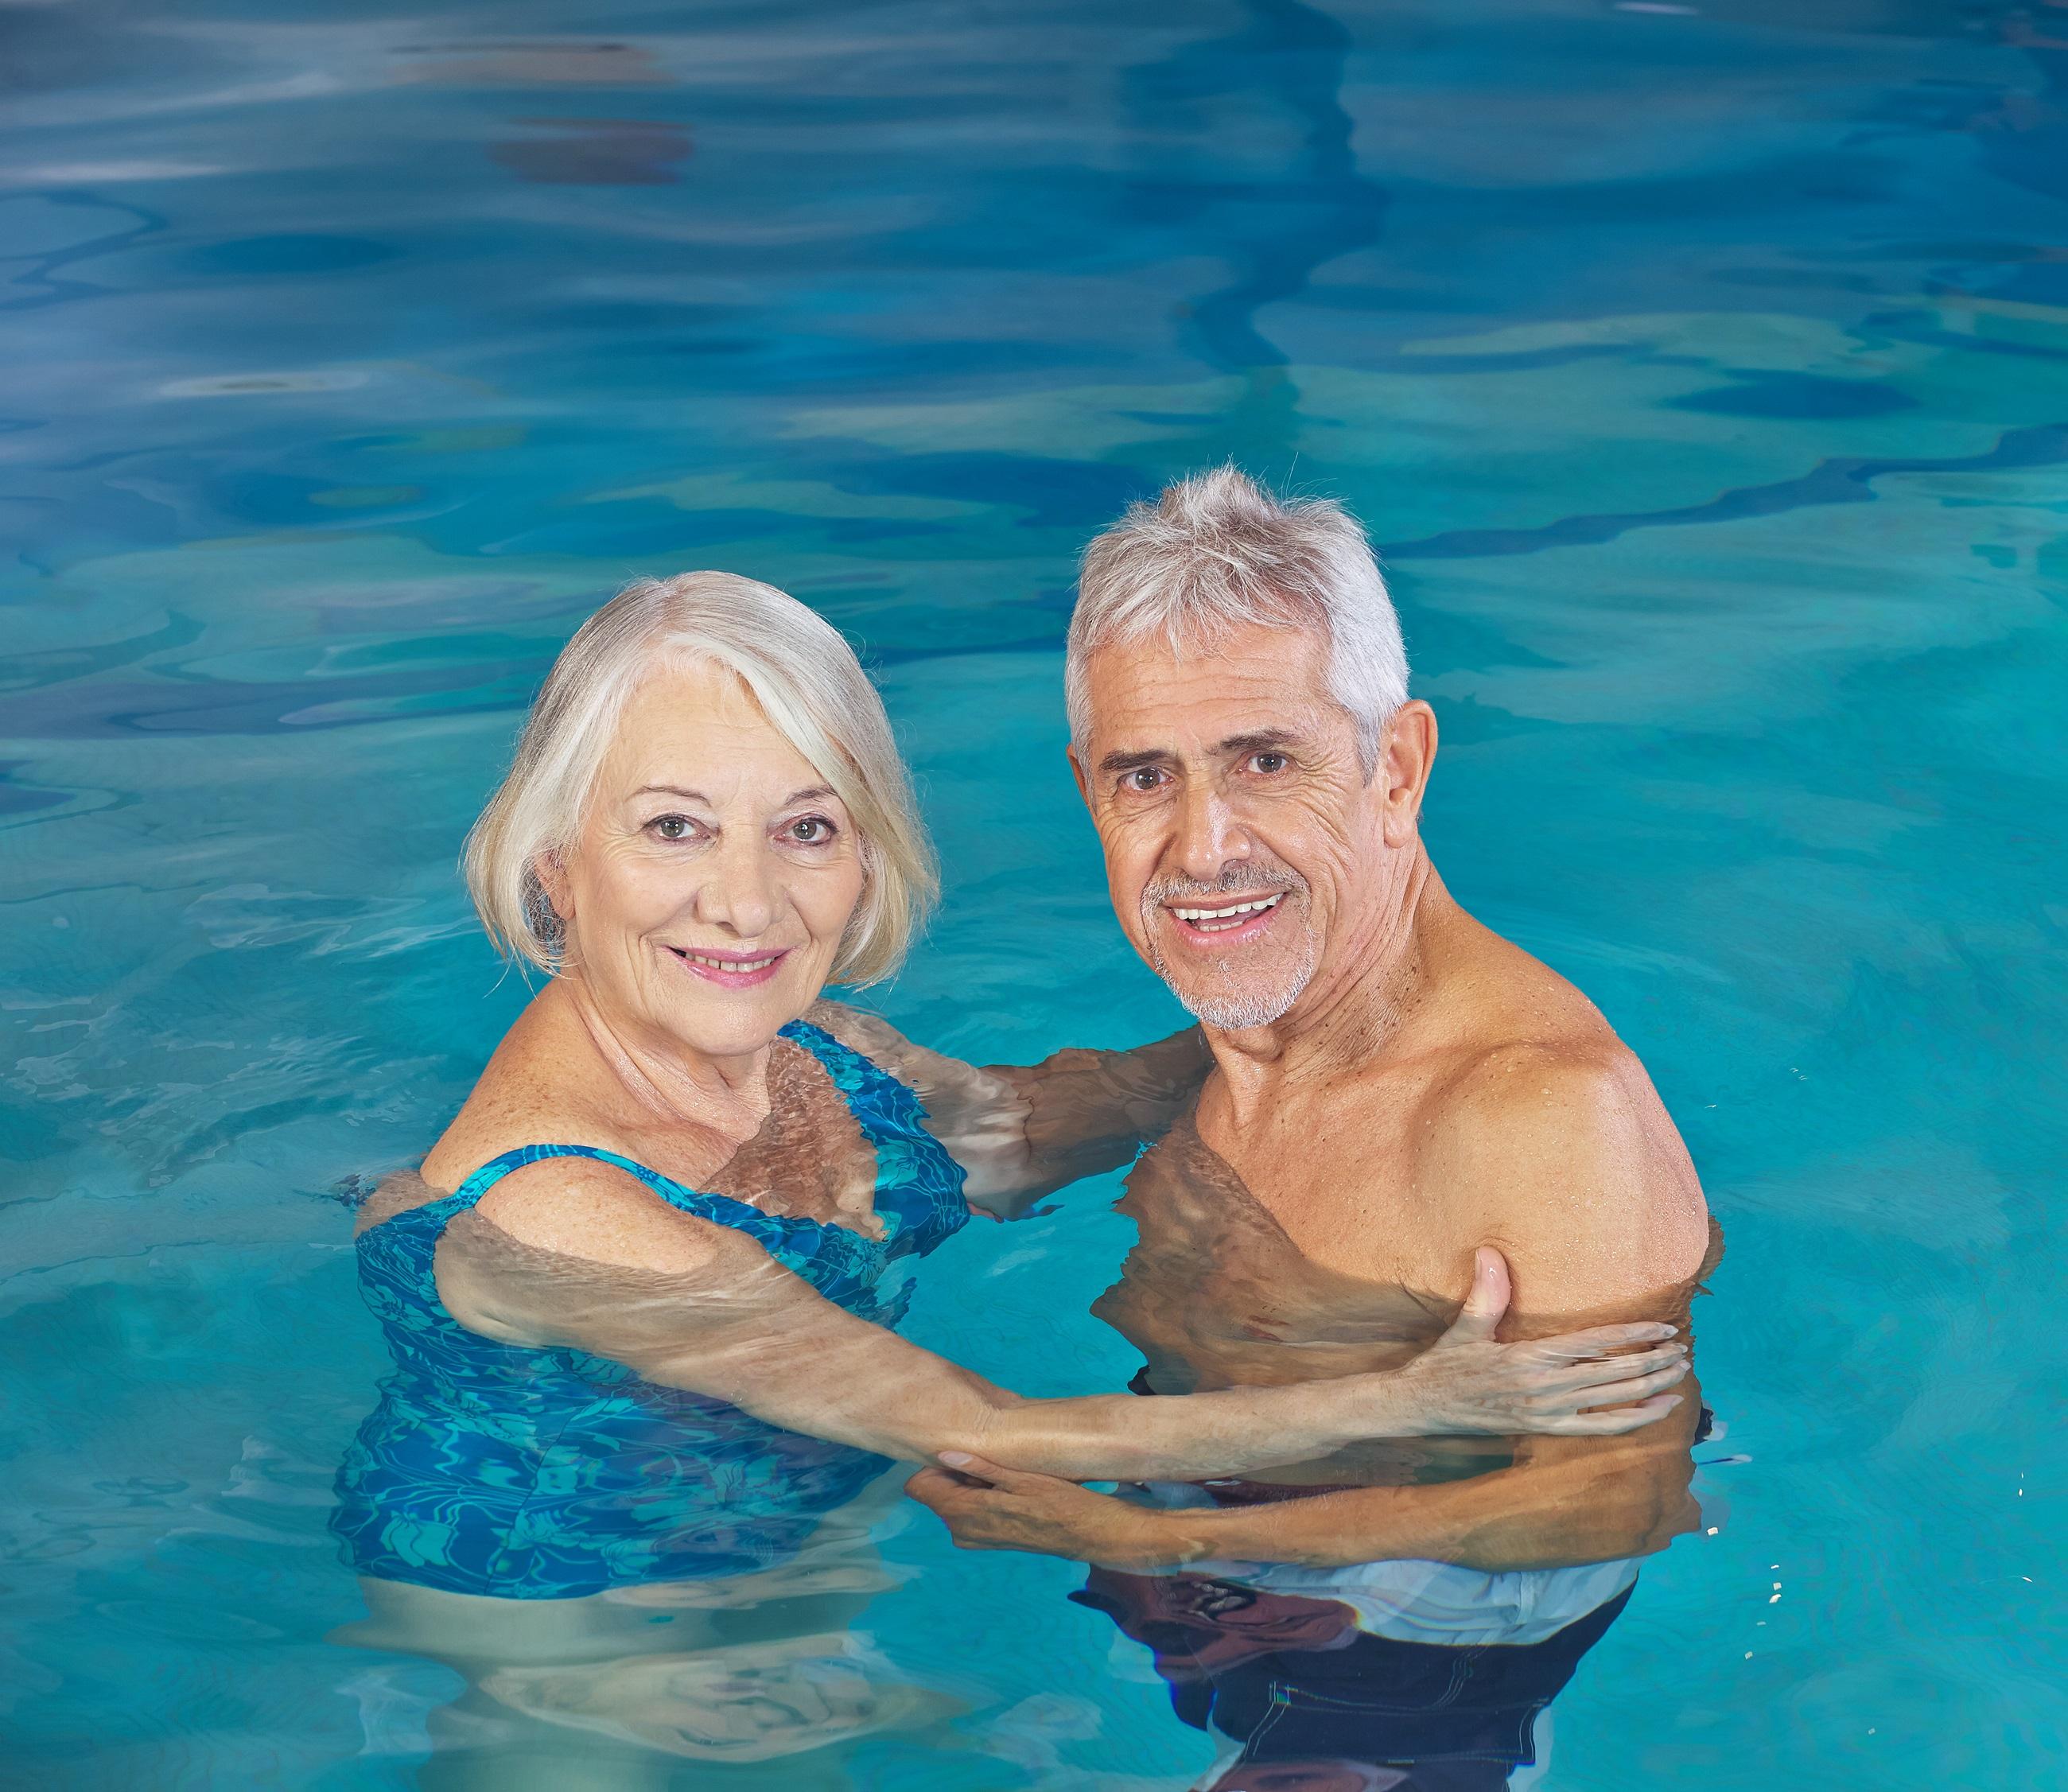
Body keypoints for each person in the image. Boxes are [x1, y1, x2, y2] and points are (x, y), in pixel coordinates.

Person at [331, 570, 1688, 1781]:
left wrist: (1321, 1009)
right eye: (675, 829)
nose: (747, 902)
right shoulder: (563, 1207)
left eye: (804, 828)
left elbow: (1020, 1131)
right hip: (576, 1637)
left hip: (788, 1544)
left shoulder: (814, 1047)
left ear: (865, 846)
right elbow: (995, 1436)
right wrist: (1417, 1394)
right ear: (559, 866)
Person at [904, 471, 1720, 1789]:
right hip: (1199, 1546)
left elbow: (1620, 1496)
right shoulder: (1235, 1036)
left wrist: (1181, 1551)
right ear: (1087, 790)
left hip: (1407, 1648)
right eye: (1144, 776)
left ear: (1395, 765)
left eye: (1265, 761)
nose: (1203, 846)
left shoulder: (1536, 1110)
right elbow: (1040, 1121)